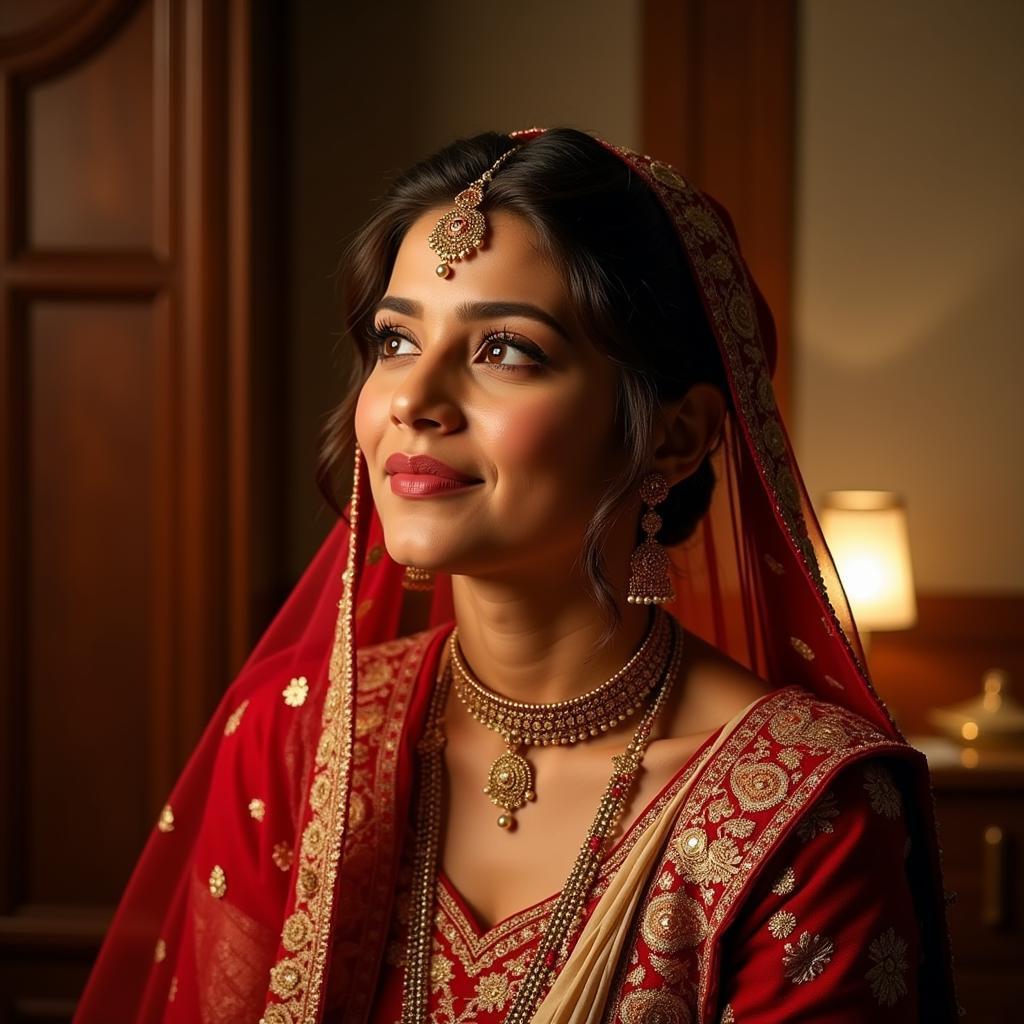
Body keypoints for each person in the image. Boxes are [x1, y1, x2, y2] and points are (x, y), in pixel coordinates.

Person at [76, 127, 957, 1023]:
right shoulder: (295, 741)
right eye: (394, 340)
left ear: (676, 435)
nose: (414, 402)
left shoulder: (805, 808)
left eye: (504, 349)